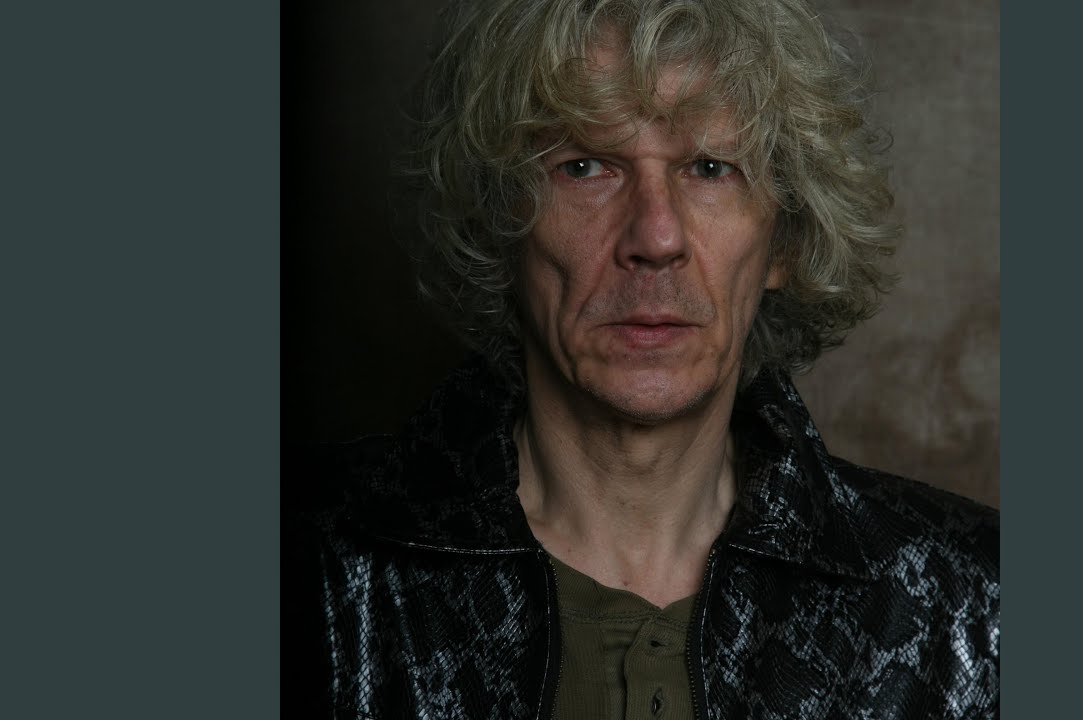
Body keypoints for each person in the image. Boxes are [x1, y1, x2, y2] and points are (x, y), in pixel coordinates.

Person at [292, 0, 999, 717]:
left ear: (785, 239)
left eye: (711, 167)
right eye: (584, 166)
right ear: (500, 220)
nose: (656, 238)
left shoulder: (973, 605)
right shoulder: (308, 564)